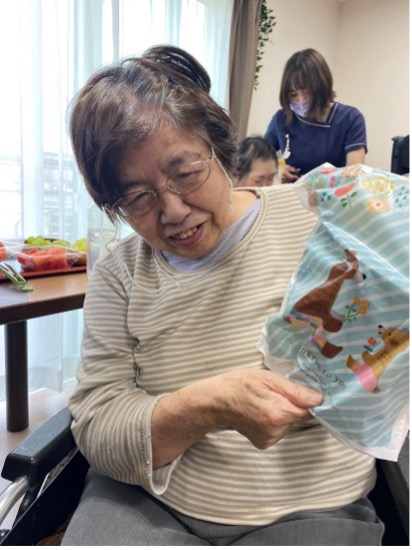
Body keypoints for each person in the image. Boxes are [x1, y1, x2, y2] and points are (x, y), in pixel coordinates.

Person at [62, 45, 382, 546]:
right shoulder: (119, 275)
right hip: (148, 503)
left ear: (220, 150)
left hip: (311, 505)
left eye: (186, 173)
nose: (172, 211)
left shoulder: (320, 219)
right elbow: (98, 424)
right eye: (138, 197)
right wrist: (206, 406)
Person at [264, 48, 367, 184]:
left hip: (334, 193)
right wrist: (277, 169)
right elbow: (260, 157)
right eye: (293, 94)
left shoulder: (350, 119)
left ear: (322, 87)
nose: (300, 100)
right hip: (292, 193)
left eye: (306, 92)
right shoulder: (282, 118)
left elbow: (354, 175)